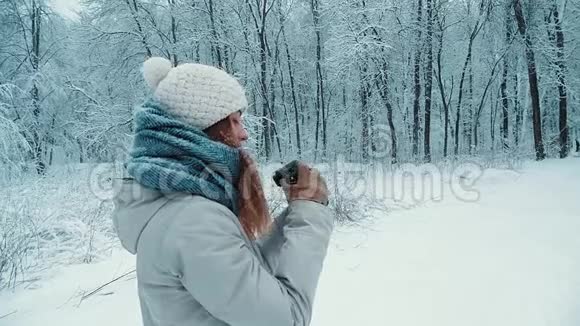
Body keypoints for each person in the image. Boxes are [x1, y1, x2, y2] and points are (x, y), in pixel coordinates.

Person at [112, 57, 334, 326]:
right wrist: (310, 213)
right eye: (235, 121)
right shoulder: (193, 222)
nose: (244, 135)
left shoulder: (179, 208)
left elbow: (247, 272)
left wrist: (300, 210)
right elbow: (287, 319)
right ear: (206, 128)